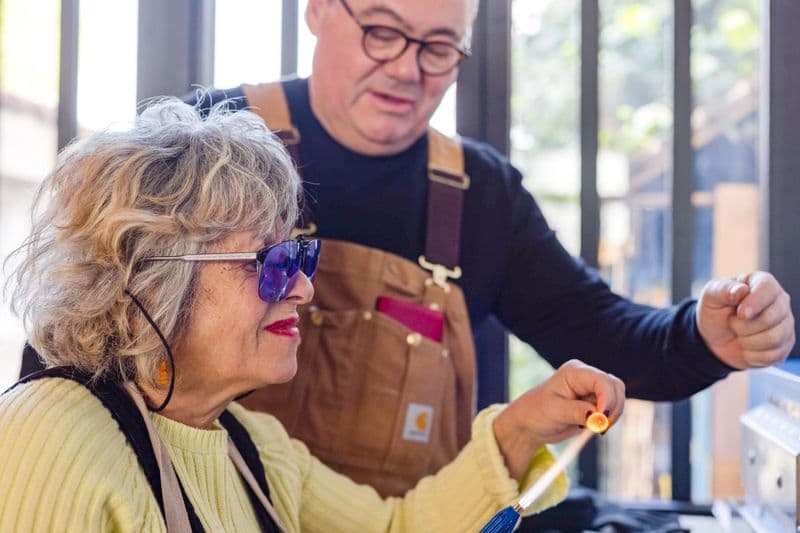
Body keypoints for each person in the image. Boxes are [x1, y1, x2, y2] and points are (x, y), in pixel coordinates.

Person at [20, 0, 796, 497]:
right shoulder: (211, 145)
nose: (407, 68)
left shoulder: (479, 196)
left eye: (438, 47)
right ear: (320, 10)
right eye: (382, 30)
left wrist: (706, 335)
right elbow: (76, 323)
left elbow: (600, 332)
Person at [0, 99, 626, 532]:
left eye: (300, 255)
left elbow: (396, 529)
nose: (302, 288)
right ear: (150, 273)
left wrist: (518, 432)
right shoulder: (53, 431)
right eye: (270, 261)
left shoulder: (253, 447)